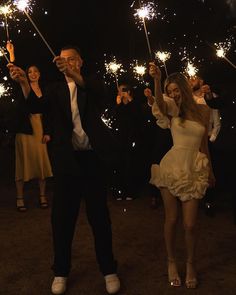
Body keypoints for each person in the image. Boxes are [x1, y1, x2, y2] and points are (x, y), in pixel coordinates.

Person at [8, 45, 120, 294]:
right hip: (67, 162)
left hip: (93, 159)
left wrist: (76, 75)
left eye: (72, 59)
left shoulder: (91, 84)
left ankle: (109, 269)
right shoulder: (54, 89)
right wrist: (25, 82)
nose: (67, 62)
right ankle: (60, 271)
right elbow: (35, 106)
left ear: (80, 62)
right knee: (62, 220)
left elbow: (96, 90)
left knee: (99, 217)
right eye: (63, 59)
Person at [149, 63, 215, 289]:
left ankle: (190, 263)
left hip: (195, 168)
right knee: (172, 219)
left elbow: (204, 143)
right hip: (172, 166)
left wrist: (211, 171)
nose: (173, 94)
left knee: (190, 224)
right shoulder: (171, 108)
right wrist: (157, 81)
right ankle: (171, 261)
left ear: (185, 88)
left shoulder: (203, 111)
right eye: (170, 91)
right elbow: (158, 103)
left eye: (176, 90)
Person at [6, 42, 52, 211]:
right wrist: (11, 54)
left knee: (41, 163)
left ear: (39, 74)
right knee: (22, 163)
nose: (32, 74)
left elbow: (49, 113)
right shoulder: (21, 86)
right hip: (25, 129)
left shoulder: (46, 90)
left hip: (40, 129)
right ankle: (20, 198)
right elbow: (14, 71)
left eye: (35, 71)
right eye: (29, 71)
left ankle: (42, 196)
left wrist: (48, 132)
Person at [189, 76, 221, 216]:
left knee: (207, 169)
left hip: (206, 139)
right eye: (189, 78)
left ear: (201, 81)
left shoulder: (210, 96)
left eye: (195, 78)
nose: (191, 79)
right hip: (190, 140)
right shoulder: (187, 98)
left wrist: (211, 138)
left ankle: (209, 200)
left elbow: (216, 121)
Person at [110, 83, 144, 201]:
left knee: (131, 164)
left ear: (129, 91)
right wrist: (118, 105)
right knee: (120, 164)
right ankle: (120, 191)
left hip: (132, 137)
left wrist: (129, 100)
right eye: (119, 90)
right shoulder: (120, 106)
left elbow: (137, 116)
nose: (120, 92)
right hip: (120, 138)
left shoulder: (135, 104)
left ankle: (131, 191)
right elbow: (116, 118)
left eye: (123, 90)